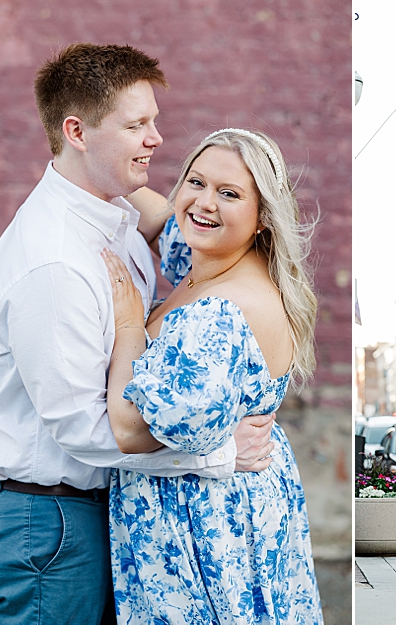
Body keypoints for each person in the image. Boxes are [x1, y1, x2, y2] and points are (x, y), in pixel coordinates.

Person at [0, 44, 274, 625]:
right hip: (42, 524)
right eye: (136, 125)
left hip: (79, 515)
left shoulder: (113, 212)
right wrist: (219, 455)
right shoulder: (54, 264)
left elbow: (192, 226)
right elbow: (84, 429)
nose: (156, 138)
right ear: (76, 131)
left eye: (153, 120)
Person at [101, 127, 323, 624]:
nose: (205, 203)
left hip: (203, 525)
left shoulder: (220, 310)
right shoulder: (218, 259)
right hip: (239, 505)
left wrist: (129, 324)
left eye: (230, 193)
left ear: (263, 216)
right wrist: (98, 151)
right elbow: (166, 217)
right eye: (195, 182)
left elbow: (130, 430)